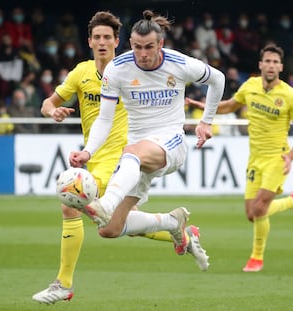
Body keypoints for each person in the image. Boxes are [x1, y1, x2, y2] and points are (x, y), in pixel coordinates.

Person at [32, 10, 215, 305]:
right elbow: (48, 103)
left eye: (108, 37)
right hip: (100, 155)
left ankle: (63, 284)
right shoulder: (82, 73)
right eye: (97, 37)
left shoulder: (130, 70)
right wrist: (53, 112)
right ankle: (174, 225)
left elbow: (183, 81)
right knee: (111, 228)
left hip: (128, 155)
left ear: (119, 41)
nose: (102, 42)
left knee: (71, 202)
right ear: (89, 41)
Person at [69, 8, 224, 277]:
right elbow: (104, 119)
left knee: (131, 154)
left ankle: (106, 203)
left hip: (170, 143)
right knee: (110, 230)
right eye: (138, 47)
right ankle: (172, 221)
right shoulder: (117, 70)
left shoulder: (179, 63)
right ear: (130, 44)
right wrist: (88, 151)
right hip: (137, 154)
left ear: (160, 43)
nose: (143, 53)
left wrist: (206, 121)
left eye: (149, 47)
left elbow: (218, 79)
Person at [186, 44, 293, 272]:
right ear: (260, 64)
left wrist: (291, 156)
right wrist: (204, 108)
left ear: (281, 67)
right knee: (251, 214)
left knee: (260, 208)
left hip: (277, 158)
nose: (271, 65)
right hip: (255, 158)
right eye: (268, 61)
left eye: (275, 62)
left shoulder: (291, 96)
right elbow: (230, 106)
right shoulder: (250, 86)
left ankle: (256, 258)